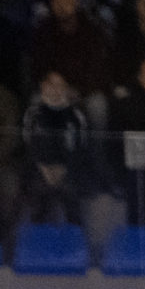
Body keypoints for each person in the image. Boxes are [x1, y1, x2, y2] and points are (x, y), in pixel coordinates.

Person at [20, 69, 96, 229]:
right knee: (37, 192)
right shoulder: (32, 113)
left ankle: (75, 237)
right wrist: (44, 168)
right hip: (40, 169)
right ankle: (38, 237)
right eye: (51, 85)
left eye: (60, 85)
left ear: (67, 89)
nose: (55, 90)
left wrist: (64, 169)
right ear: (43, 86)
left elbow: (83, 147)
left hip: (70, 170)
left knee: (71, 192)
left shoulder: (77, 114)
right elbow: (28, 145)